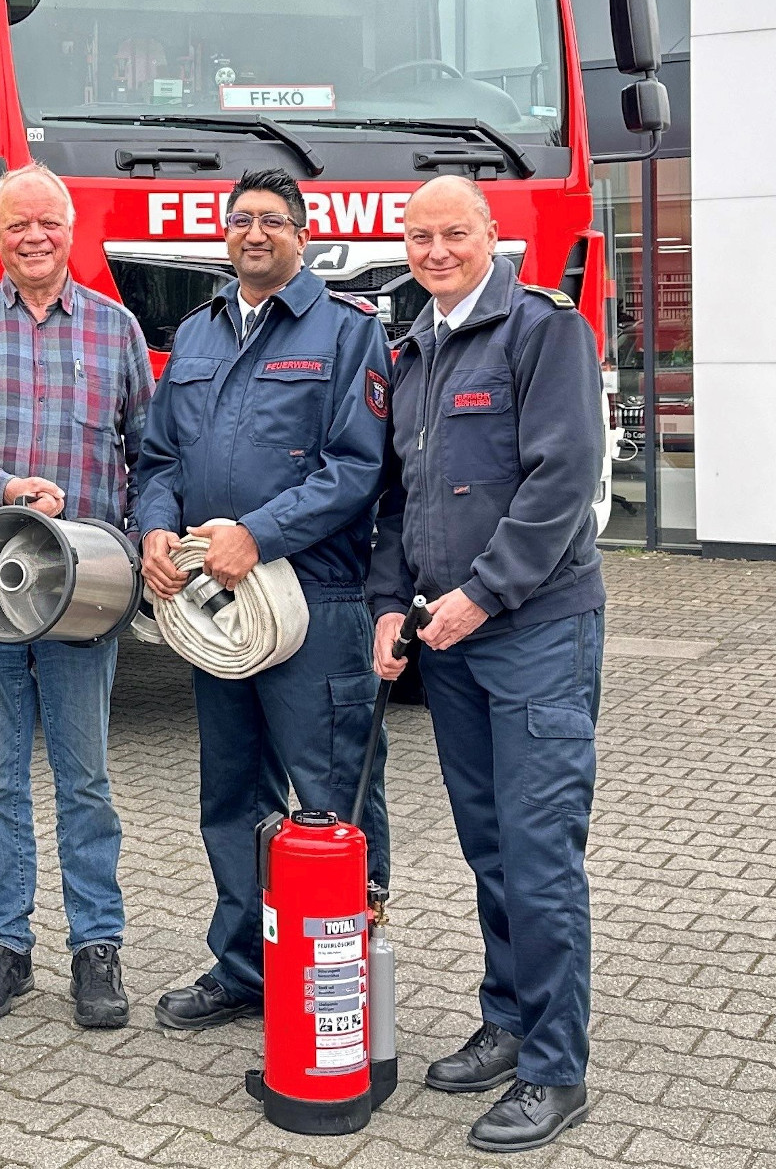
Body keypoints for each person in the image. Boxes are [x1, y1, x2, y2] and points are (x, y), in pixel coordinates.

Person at [366, 173, 605, 1153]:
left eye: (451, 234)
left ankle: (555, 1068)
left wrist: (481, 593)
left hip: (530, 628)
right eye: (418, 237)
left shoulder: (541, 331)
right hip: (446, 637)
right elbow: (395, 497)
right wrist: (389, 606)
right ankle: (507, 1020)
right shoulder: (411, 346)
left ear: (489, 235)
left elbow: (561, 481)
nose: (433, 251)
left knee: (540, 851)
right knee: (490, 846)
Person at [131, 166, 390, 1032]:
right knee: (233, 795)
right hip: (220, 606)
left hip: (316, 600)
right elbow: (158, 454)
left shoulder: (346, 332)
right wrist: (158, 532)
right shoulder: (199, 334)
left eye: (271, 221)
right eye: (239, 220)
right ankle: (244, 967)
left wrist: (260, 533)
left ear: (302, 235)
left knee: (329, 794)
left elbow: (357, 467)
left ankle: (339, 981)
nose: (253, 234)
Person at [0, 162, 153, 1030]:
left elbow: (153, 452)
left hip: (85, 590)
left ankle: (96, 948)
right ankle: (6, 945)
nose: (34, 237)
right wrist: (3, 488)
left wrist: (138, 547)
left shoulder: (116, 329)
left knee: (84, 776)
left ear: (73, 230)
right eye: (17, 224)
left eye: (49, 223)